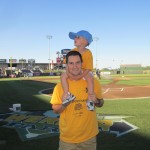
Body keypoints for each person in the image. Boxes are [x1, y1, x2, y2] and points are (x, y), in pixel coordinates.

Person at [50, 51, 104, 150]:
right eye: (71, 63)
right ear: (67, 65)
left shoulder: (93, 82)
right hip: (68, 139)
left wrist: (96, 101)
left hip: (89, 138)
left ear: (82, 63)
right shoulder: (59, 87)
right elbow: (55, 109)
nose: (75, 66)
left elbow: (101, 103)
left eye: (77, 62)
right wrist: (64, 105)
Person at [61, 30, 95, 104]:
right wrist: (69, 74)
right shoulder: (73, 51)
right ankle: (67, 94)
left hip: (84, 72)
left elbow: (88, 68)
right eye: (75, 38)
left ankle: (90, 98)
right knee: (63, 76)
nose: (75, 39)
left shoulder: (88, 53)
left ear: (86, 41)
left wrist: (79, 76)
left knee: (90, 78)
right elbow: (67, 65)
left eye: (78, 37)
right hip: (74, 71)